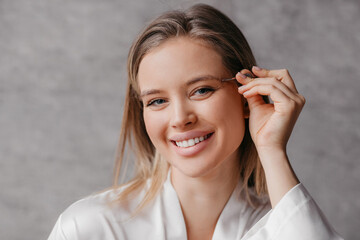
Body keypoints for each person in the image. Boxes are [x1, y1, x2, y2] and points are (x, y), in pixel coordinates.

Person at [48, 3, 343, 240]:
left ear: (246, 95)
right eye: (157, 101)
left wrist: (271, 150)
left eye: (201, 90)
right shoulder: (89, 229)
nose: (179, 119)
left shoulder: (284, 224)